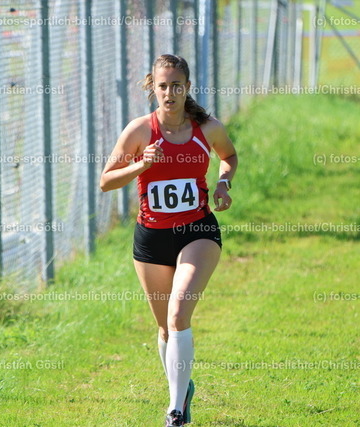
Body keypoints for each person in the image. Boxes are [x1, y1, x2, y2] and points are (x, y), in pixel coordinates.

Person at [99, 54, 237, 426]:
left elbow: (229, 156)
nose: (169, 93)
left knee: (178, 315)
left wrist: (223, 183)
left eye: (177, 86)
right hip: (152, 239)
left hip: (197, 231)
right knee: (164, 327)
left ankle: (176, 411)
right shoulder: (139, 131)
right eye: (163, 86)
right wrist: (141, 164)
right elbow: (106, 181)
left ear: (187, 87)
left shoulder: (207, 128)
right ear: (153, 88)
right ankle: (182, 389)